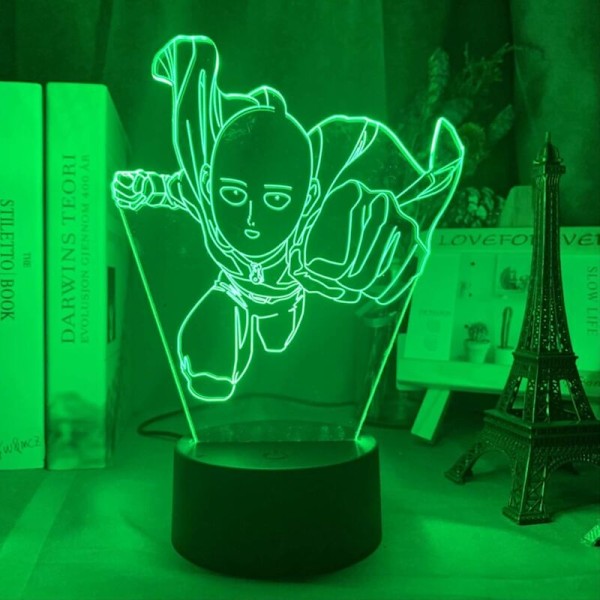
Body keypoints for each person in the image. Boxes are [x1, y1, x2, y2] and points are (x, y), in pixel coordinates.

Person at [112, 35, 464, 401]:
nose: (251, 218)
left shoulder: (311, 243)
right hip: (231, 289)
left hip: (285, 300)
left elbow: (346, 267)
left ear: (308, 198)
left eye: (277, 200)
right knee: (207, 359)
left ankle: (264, 325)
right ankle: (216, 363)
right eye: (234, 195)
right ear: (208, 184)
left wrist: (368, 274)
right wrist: (143, 188)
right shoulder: (206, 198)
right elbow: (174, 189)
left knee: (277, 340)